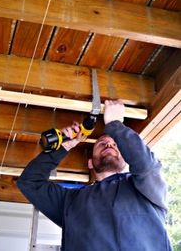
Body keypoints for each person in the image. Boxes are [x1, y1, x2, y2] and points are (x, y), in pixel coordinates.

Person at [17, 100, 172, 251]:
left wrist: (116, 125)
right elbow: (29, 182)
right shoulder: (69, 201)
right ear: (90, 163)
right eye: (102, 144)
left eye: (115, 144)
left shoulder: (144, 188)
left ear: (126, 161)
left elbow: (147, 166)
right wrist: (65, 146)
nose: (109, 145)